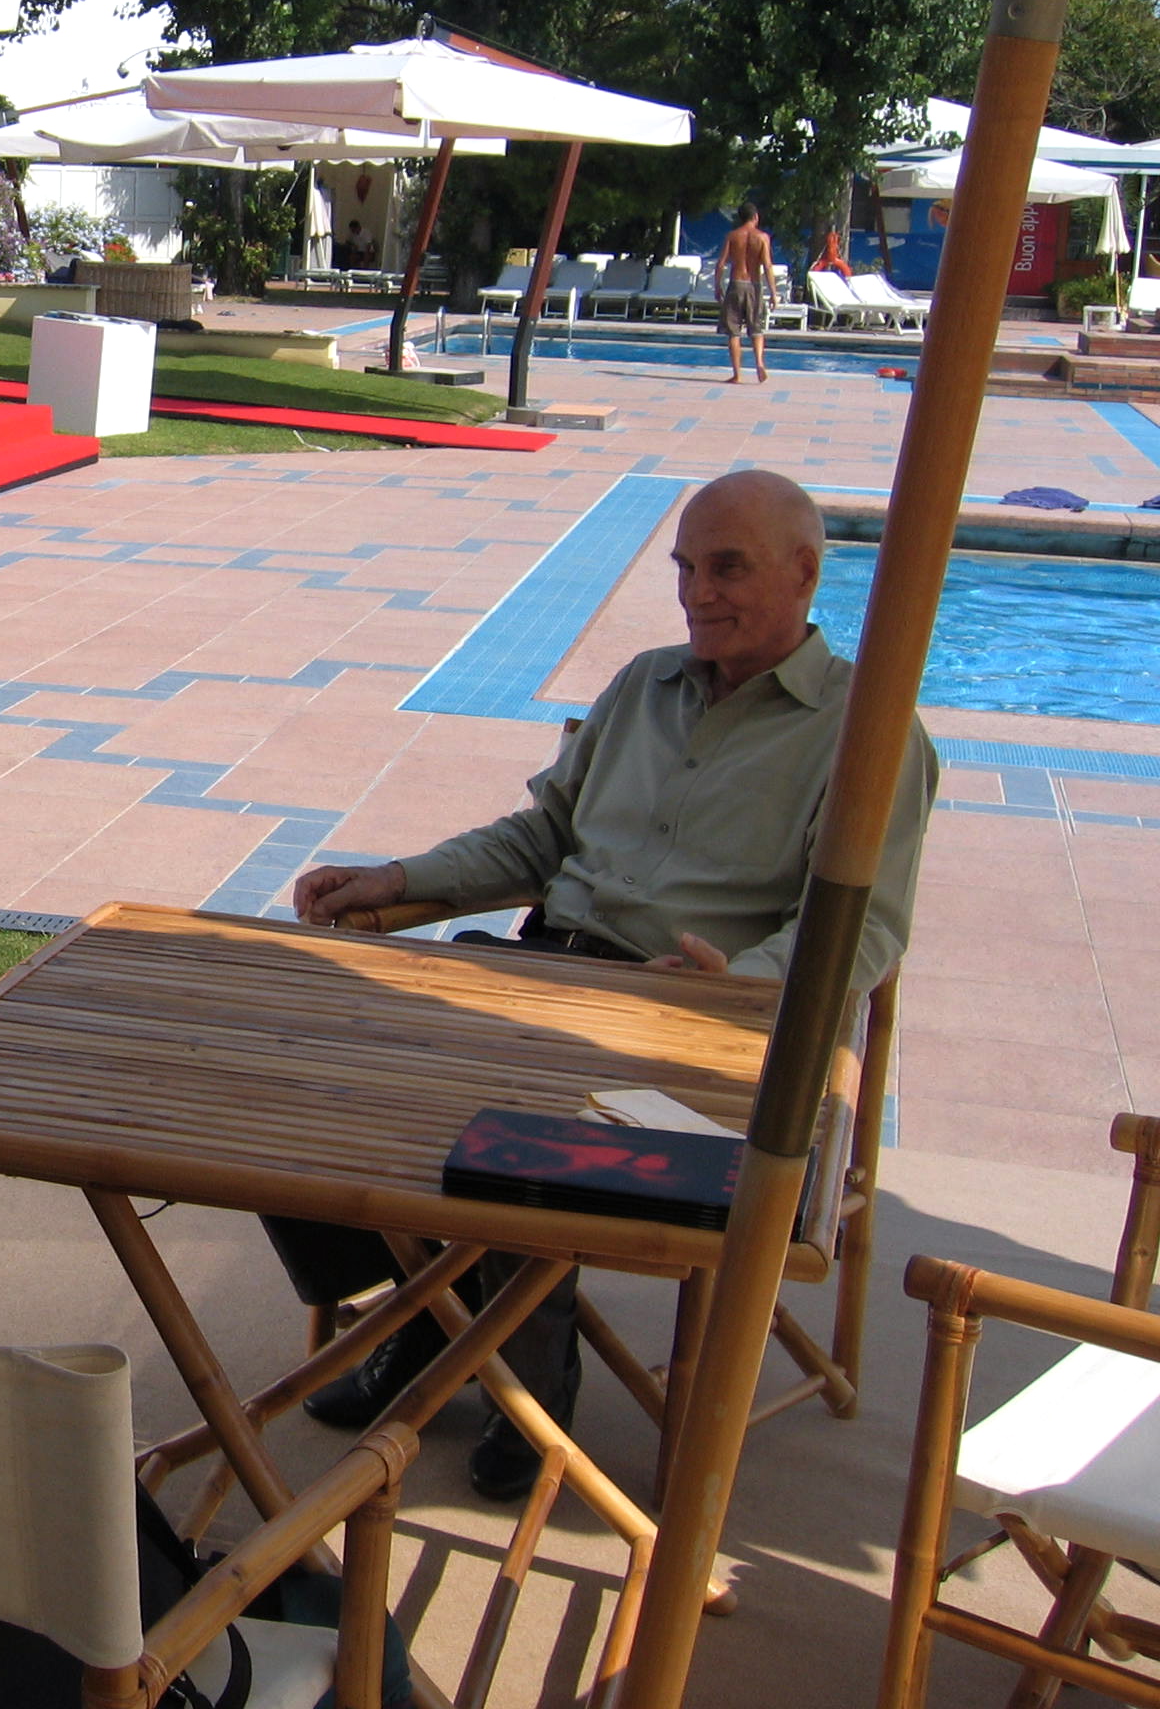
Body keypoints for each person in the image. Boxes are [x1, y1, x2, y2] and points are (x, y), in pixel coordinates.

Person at [274, 470, 936, 1502]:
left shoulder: (869, 734)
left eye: (728, 568)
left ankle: (518, 1393)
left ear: (807, 574)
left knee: (509, 1143)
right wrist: (400, 878)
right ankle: (426, 1320)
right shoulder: (641, 686)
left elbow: (865, 929)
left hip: (685, 1021)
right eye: (684, 568)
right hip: (543, 972)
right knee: (316, 1056)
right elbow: (542, 836)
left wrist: (743, 986)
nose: (696, 594)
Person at [716, 203, 777, 385]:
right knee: (756, 328)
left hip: (736, 284)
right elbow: (767, 266)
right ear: (756, 217)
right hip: (754, 285)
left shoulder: (733, 236)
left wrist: (717, 286)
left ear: (740, 218)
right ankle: (759, 362)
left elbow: (721, 264)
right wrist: (773, 292)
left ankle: (737, 374)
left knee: (733, 332)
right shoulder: (763, 237)